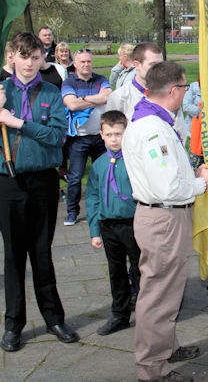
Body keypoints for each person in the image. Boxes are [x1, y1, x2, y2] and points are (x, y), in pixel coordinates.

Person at [122, 61, 208, 382]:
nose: (186, 93)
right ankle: (153, 367)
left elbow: (168, 175)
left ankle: (165, 345)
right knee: (159, 294)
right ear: (173, 91)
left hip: (163, 211)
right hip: (164, 216)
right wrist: (201, 184)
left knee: (167, 289)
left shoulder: (154, 120)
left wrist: (193, 175)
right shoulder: (153, 129)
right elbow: (169, 186)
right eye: (184, 87)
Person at [0, 32, 79, 353]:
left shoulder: (51, 91)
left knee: (42, 253)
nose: (30, 63)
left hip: (44, 181)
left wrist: (16, 123)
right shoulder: (1, 91)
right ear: (12, 57)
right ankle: (13, 324)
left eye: (36, 56)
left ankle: (53, 318)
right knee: (13, 256)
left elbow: (57, 136)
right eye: (24, 56)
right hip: (8, 182)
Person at [85, 110, 140, 336]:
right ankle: (120, 314)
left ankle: (148, 313)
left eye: (118, 133)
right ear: (101, 135)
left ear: (126, 133)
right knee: (116, 271)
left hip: (134, 223)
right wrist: (94, 230)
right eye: (109, 134)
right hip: (108, 225)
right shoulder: (98, 165)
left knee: (140, 269)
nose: (114, 139)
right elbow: (93, 197)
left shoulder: (135, 160)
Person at [61, 48, 112, 226]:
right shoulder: (69, 82)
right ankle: (72, 212)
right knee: (75, 177)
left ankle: (103, 209)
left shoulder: (101, 79)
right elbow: (72, 105)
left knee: (103, 174)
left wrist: (83, 98)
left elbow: (108, 97)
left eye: (89, 61)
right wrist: (96, 98)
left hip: (100, 137)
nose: (86, 65)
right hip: (79, 139)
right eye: (82, 62)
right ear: (75, 64)